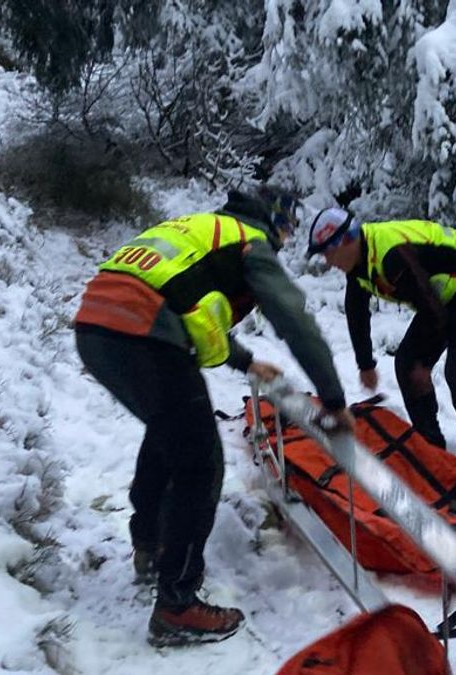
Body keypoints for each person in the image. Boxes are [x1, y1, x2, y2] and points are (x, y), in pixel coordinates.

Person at [73, 186, 350, 647]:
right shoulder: (249, 240)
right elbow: (294, 317)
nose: (283, 238)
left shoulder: (201, 229)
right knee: (200, 463)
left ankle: (152, 543)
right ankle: (178, 605)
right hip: (141, 332)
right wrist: (335, 399)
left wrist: (244, 361)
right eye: (286, 227)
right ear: (274, 221)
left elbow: (192, 310)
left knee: (171, 432)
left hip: (97, 328)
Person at [306, 208, 456, 479]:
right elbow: (356, 311)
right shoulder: (359, 263)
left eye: (328, 252)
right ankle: (431, 449)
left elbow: (433, 312)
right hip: (443, 295)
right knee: (406, 364)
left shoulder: (391, 256)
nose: (328, 262)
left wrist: (423, 366)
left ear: (346, 241)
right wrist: (365, 364)